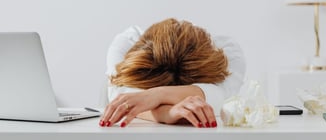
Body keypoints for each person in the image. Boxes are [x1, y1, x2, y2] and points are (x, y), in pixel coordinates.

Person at [100, 18, 246, 128]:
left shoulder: (228, 52)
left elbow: (220, 96)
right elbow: (124, 100)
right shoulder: (127, 42)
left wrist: (155, 95)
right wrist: (166, 113)